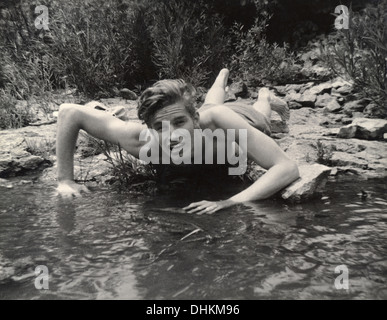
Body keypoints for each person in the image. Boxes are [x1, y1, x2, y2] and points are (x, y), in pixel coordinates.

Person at [56, 68, 299, 214]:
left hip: (239, 120)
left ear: (195, 119)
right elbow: (70, 112)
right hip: (205, 112)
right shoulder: (143, 143)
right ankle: (221, 77)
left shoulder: (217, 121)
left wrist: (229, 202)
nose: (173, 135)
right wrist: (65, 180)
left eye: (180, 123)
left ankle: (265, 96)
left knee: (260, 118)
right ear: (149, 128)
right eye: (160, 127)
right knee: (211, 104)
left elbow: (286, 167)